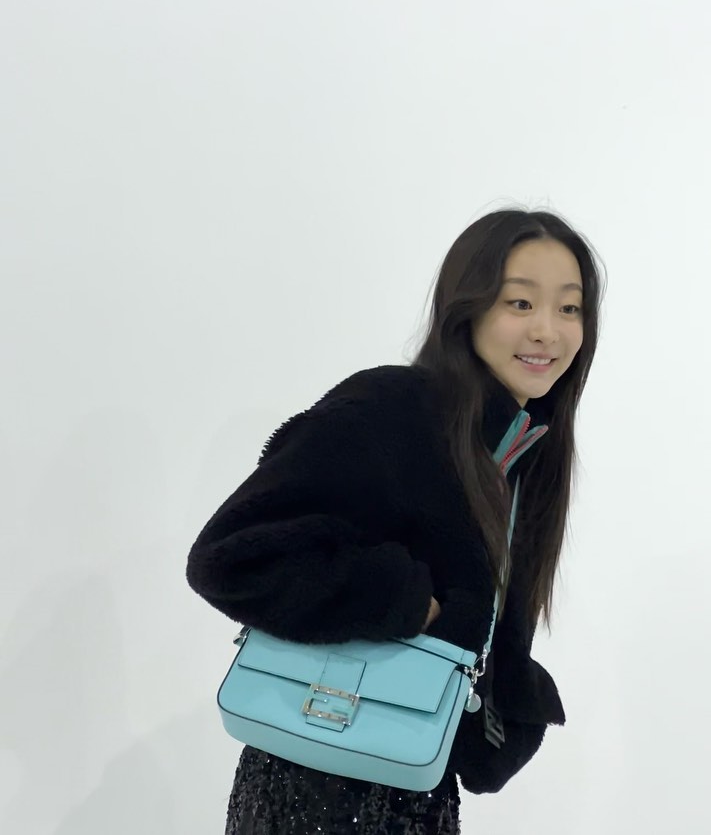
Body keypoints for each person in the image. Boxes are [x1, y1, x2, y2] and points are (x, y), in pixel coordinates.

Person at [185, 208, 606, 834]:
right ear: (466, 310)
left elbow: (479, 617)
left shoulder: (519, 449)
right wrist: (415, 606)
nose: (547, 330)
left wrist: (503, 703)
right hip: (313, 788)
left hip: (413, 786)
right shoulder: (391, 407)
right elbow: (230, 557)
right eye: (520, 303)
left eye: (569, 308)